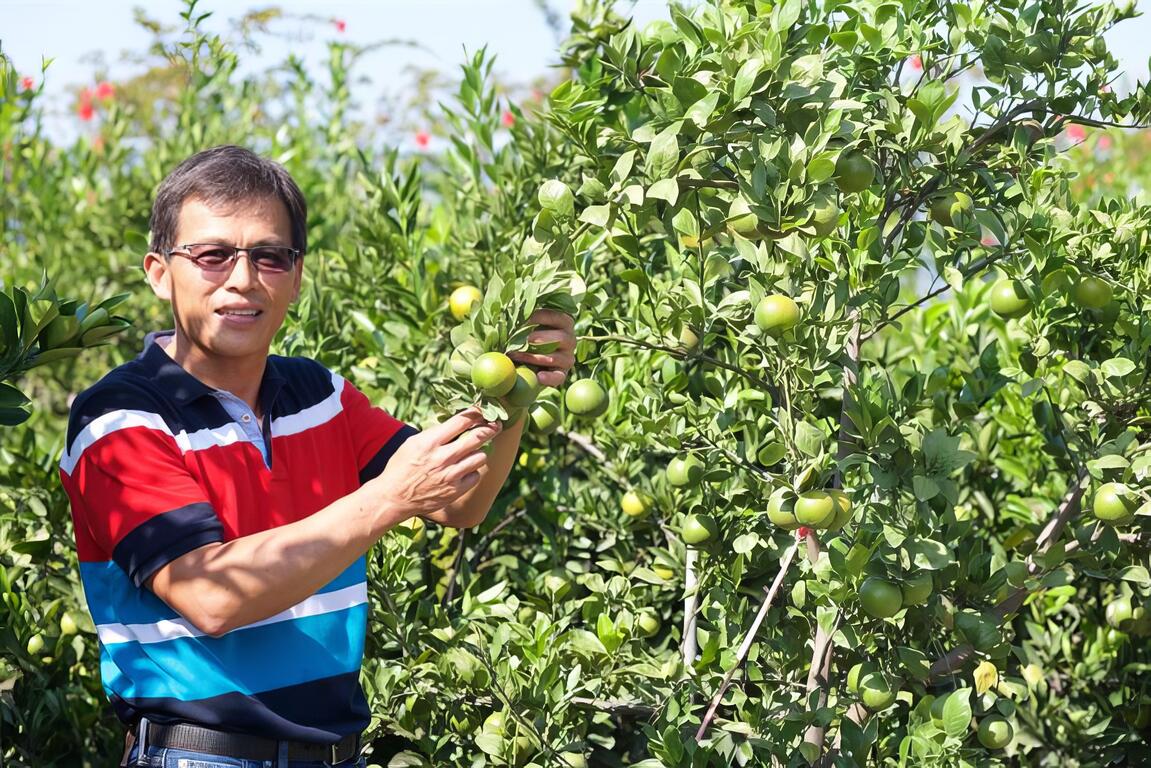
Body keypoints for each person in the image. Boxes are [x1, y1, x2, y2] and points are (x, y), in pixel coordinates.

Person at [58, 145, 577, 768]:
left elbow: (461, 502)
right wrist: (389, 497)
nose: (242, 279)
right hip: (201, 754)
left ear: (297, 275)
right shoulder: (119, 418)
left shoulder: (319, 395)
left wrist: (514, 388)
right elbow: (212, 596)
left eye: (269, 256)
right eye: (212, 255)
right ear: (160, 272)